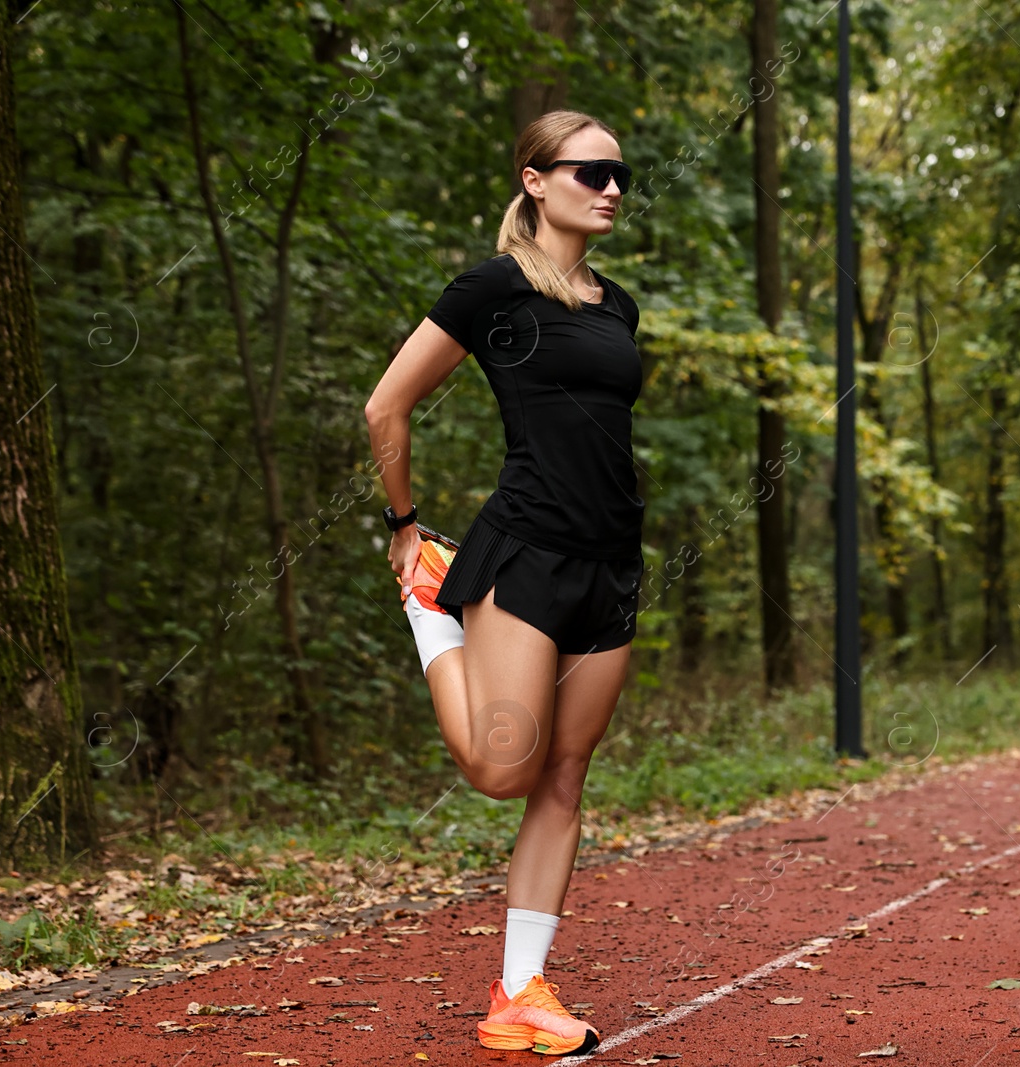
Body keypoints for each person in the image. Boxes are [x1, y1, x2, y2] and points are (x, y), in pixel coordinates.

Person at [363, 110, 645, 1056]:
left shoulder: (617, 304)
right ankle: (429, 609)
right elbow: (386, 404)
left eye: (621, 174)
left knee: (564, 773)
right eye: (590, 171)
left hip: (612, 562)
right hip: (526, 549)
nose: (610, 187)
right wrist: (404, 528)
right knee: (499, 766)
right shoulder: (490, 290)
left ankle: (520, 990)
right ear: (534, 179)